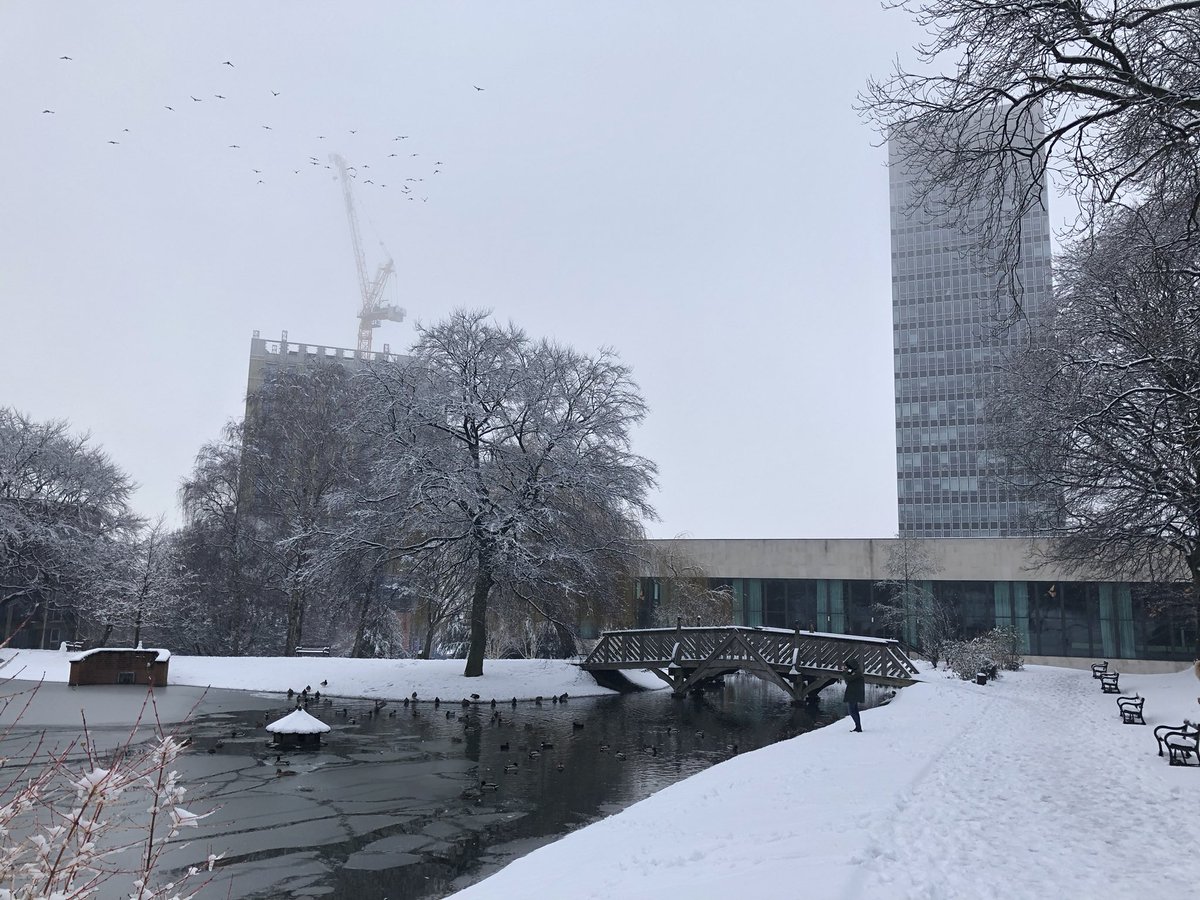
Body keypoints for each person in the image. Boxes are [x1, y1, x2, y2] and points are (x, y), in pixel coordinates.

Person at [843, 657, 865, 733]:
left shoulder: (857, 672)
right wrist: (848, 672)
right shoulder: (856, 671)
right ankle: (858, 727)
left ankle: (858, 727)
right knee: (854, 711)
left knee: (852, 711)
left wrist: (844, 672)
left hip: (854, 694)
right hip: (854, 693)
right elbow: (849, 677)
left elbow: (848, 679)